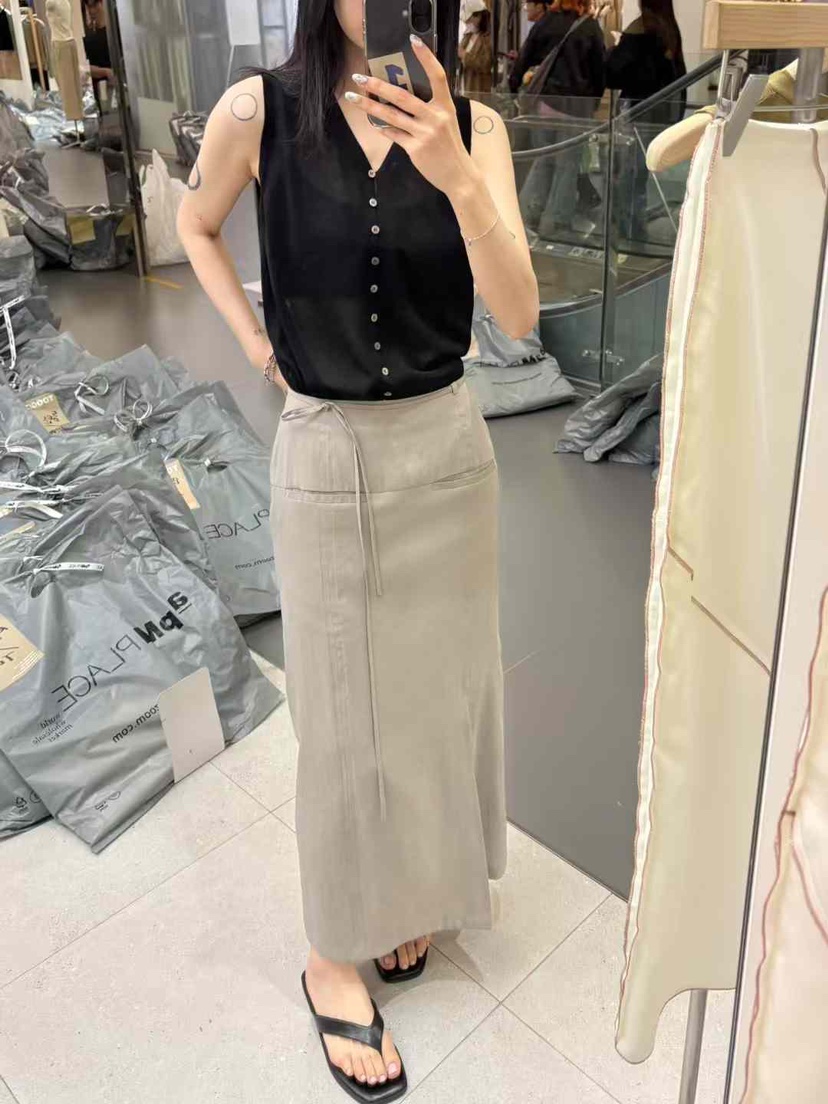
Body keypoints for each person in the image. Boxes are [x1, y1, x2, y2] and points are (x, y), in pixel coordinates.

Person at [176, 1, 539, 1099]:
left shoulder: (476, 129)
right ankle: (333, 950)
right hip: (325, 451)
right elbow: (196, 223)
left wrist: (458, 177)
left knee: (437, 701)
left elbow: (520, 313)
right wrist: (257, 344)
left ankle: (409, 896)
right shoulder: (257, 112)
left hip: (448, 456)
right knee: (340, 720)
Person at [511, 0, 606, 239]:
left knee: (543, 161)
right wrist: (593, 103)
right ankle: (557, 222)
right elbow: (599, 72)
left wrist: (513, 87)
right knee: (568, 166)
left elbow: (525, 57)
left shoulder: (547, 22)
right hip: (577, 108)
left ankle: (529, 215)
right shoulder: (590, 27)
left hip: (546, 105)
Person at [606, 0, 686, 242]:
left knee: (627, 174)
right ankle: (635, 227)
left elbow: (613, 74)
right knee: (639, 174)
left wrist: (614, 49)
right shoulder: (670, 30)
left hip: (636, 112)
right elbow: (678, 77)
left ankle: (629, 229)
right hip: (660, 114)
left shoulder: (637, 31)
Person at [458, 4, 493, 95]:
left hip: (478, 88)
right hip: (464, 85)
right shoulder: (468, 35)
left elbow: (485, 64)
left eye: (470, 19)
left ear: (479, 17)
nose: (467, 22)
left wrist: (465, 56)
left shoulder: (487, 38)